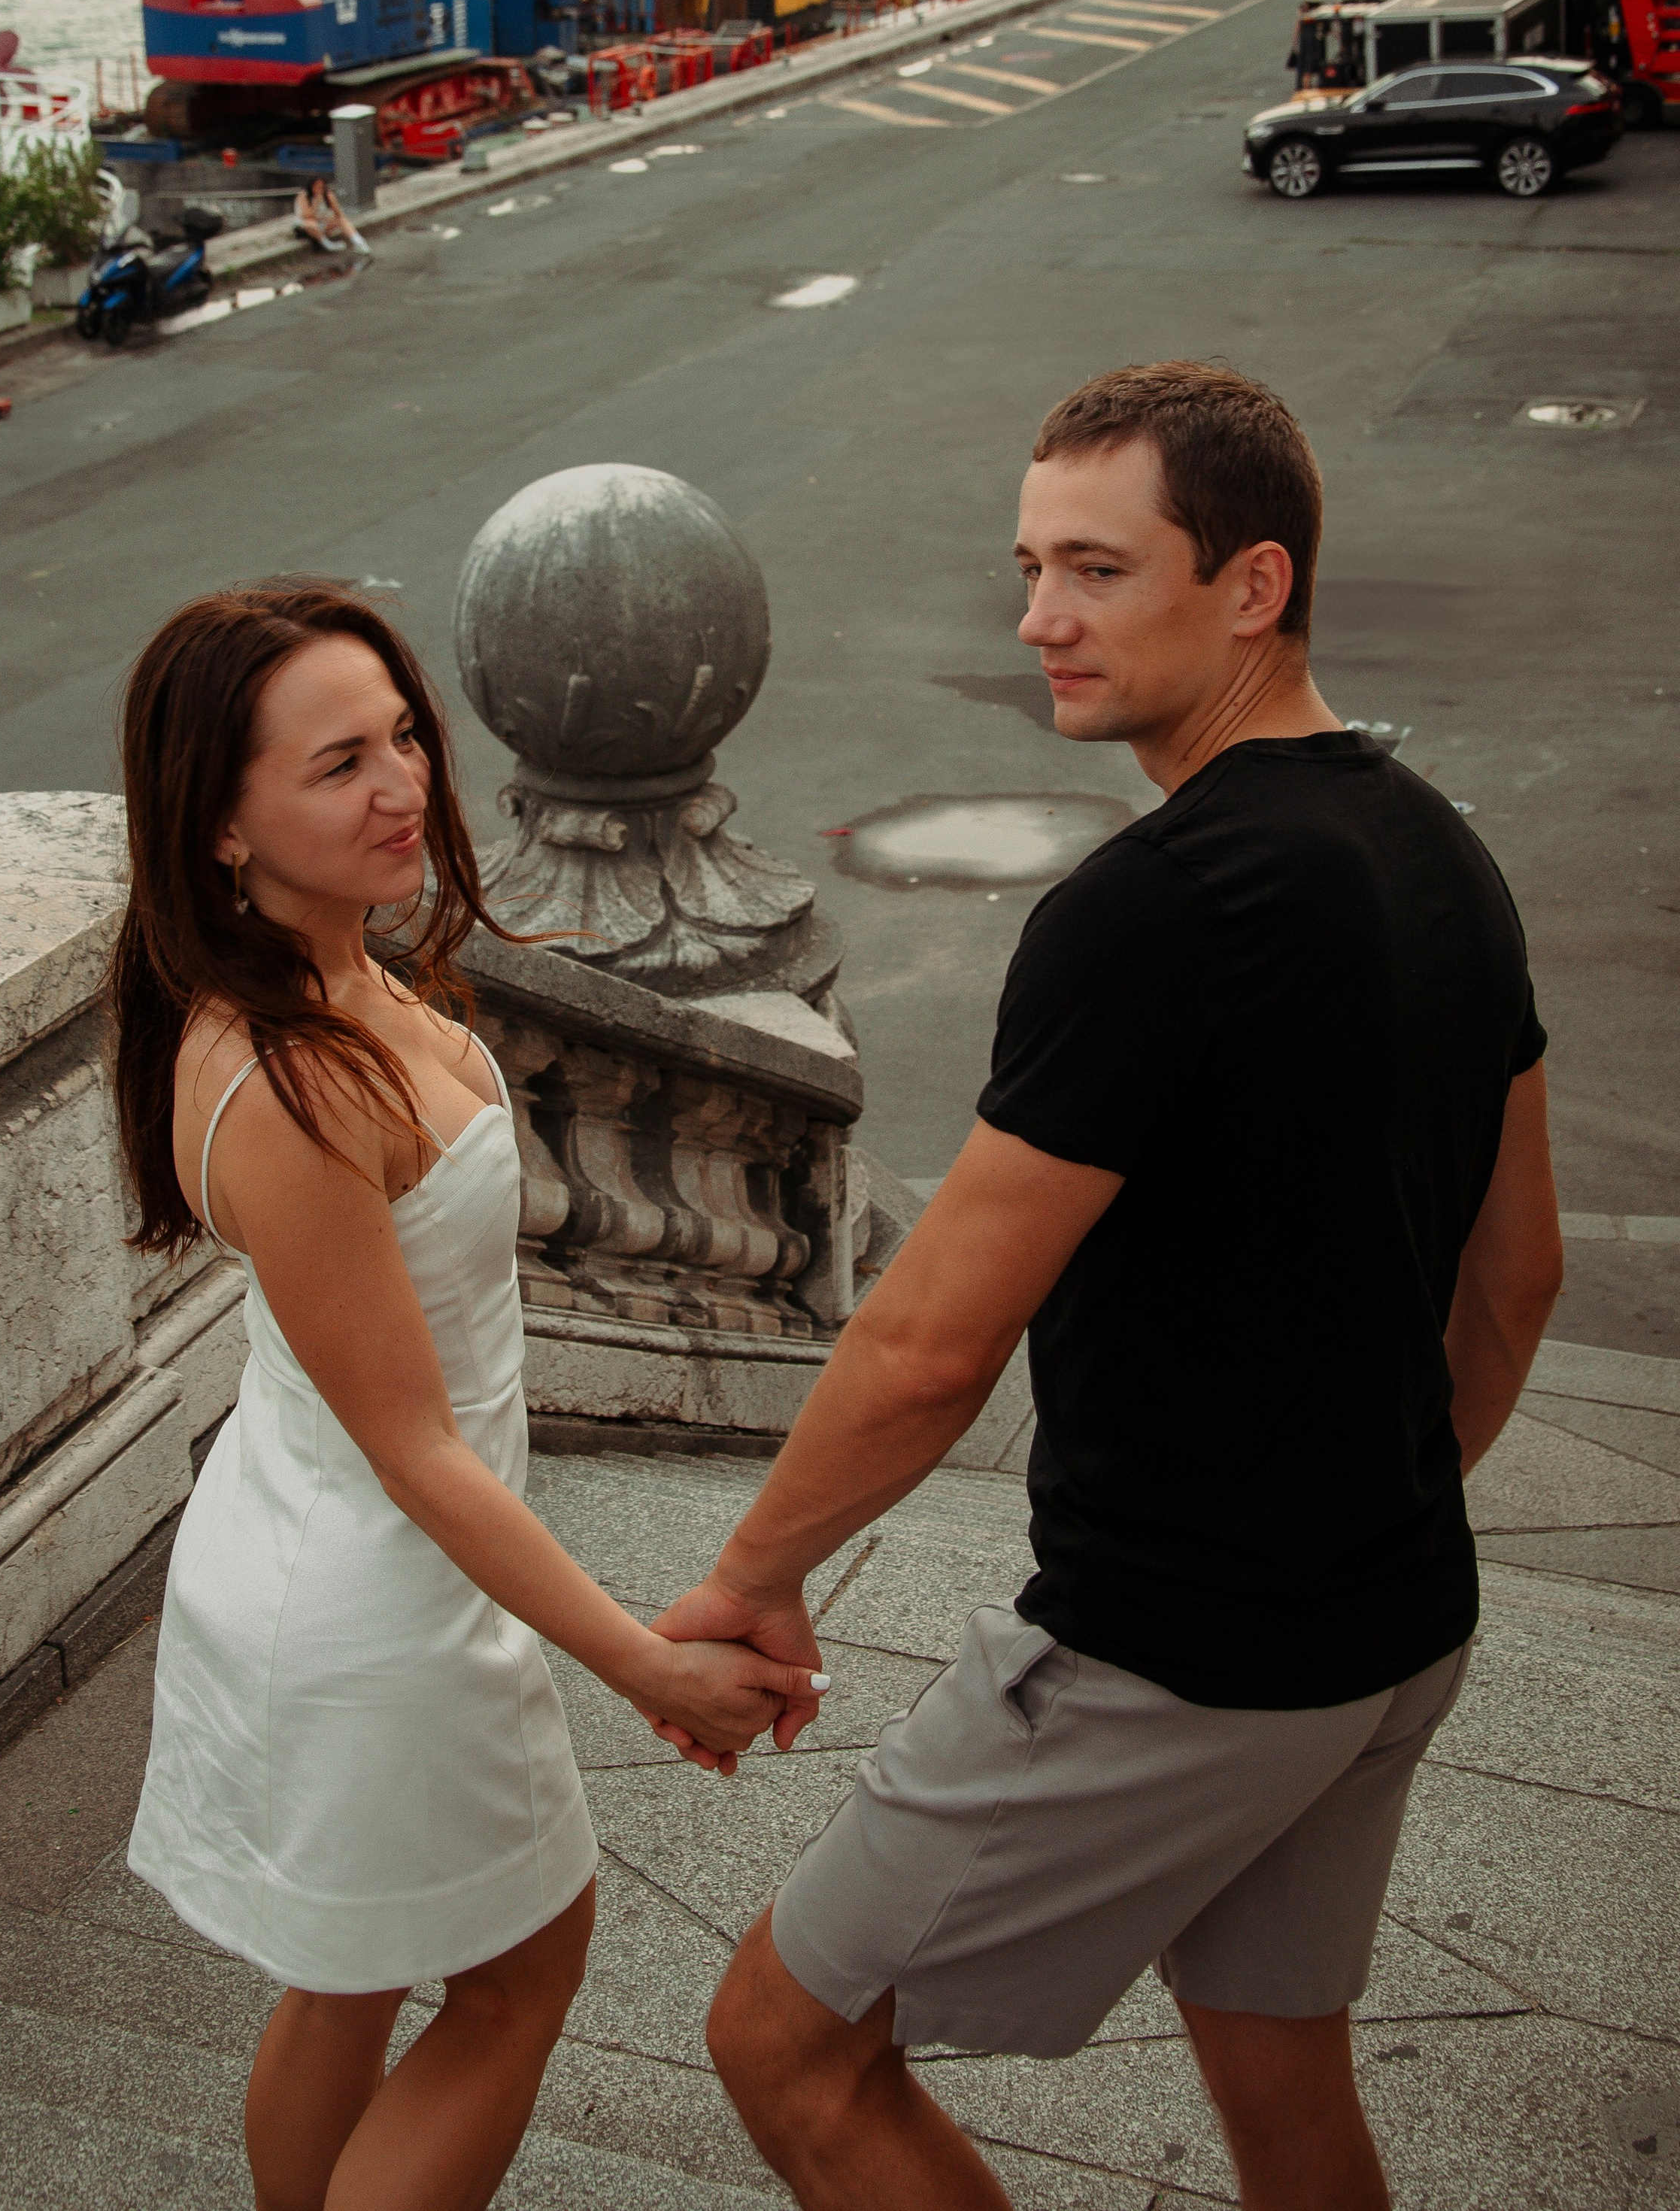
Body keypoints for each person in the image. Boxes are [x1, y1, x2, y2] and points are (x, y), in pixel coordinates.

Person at [656, 362, 1563, 2211]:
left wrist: (747, 1581)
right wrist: (1360, 1513)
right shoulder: (1441, 852)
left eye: (1091, 566)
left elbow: (925, 1340)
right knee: (1279, 2078)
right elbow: (1518, 1273)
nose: (1035, 618)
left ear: (1247, 584)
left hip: (1178, 1645)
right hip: (1388, 1626)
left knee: (783, 2037)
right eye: (1026, 564)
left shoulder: (1155, 902)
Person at [117, 583, 820, 2211]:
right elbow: (416, 1442)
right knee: (514, 1976)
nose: (402, 785)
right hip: (374, 1602)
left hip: (348, 1557)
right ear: (222, 824)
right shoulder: (284, 1073)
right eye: (338, 761)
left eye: (405, 737)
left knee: (351, 1976)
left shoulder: (338, 991)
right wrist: (639, 1655)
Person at [296, 173, 369, 258]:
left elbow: (339, 214)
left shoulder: (327, 195)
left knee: (342, 220)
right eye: (316, 186)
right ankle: (328, 245)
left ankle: (359, 241)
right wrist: (316, 203)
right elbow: (306, 216)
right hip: (307, 228)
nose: (318, 189)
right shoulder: (303, 195)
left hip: (322, 225)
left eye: (321, 187)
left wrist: (332, 200)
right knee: (311, 224)